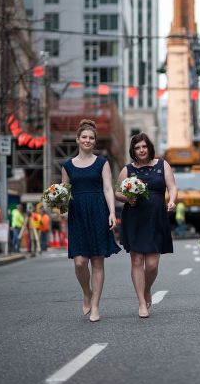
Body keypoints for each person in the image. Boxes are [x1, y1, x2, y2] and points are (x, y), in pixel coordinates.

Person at [61, 118, 121, 322]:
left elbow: (107, 188)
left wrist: (112, 213)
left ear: (95, 141)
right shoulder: (67, 166)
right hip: (77, 214)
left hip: (98, 211)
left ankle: (95, 305)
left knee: (97, 261)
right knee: (80, 262)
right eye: (84, 137)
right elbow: (64, 192)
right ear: (78, 140)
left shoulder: (102, 163)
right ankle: (86, 291)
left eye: (91, 138)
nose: (88, 140)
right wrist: (60, 206)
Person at [115, 133, 177, 319]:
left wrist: (172, 200)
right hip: (134, 217)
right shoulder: (128, 170)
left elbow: (172, 186)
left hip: (156, 217)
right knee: (136, 261)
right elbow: (118, 192)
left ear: (149, 147)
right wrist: (128, 197)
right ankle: (141, 302)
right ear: (133, 151)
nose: (141, 150)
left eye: (144, 146)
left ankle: (147, 288)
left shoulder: (162, 165)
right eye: (137, 148)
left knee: (151, 264)